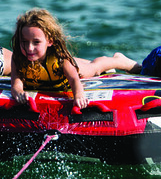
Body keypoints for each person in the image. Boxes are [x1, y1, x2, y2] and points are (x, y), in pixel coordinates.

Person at [10, 8, 140, 109]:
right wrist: (20, 94)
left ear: (50, 41)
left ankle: (119, 60)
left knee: (94, 68)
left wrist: (78, 95)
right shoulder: (18, 59)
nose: (29, 48)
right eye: (24, 42)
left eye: (36, 42)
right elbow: (16, 83)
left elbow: (74, 80)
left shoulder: (60, 59)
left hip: (76, 72)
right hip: (53, 74)